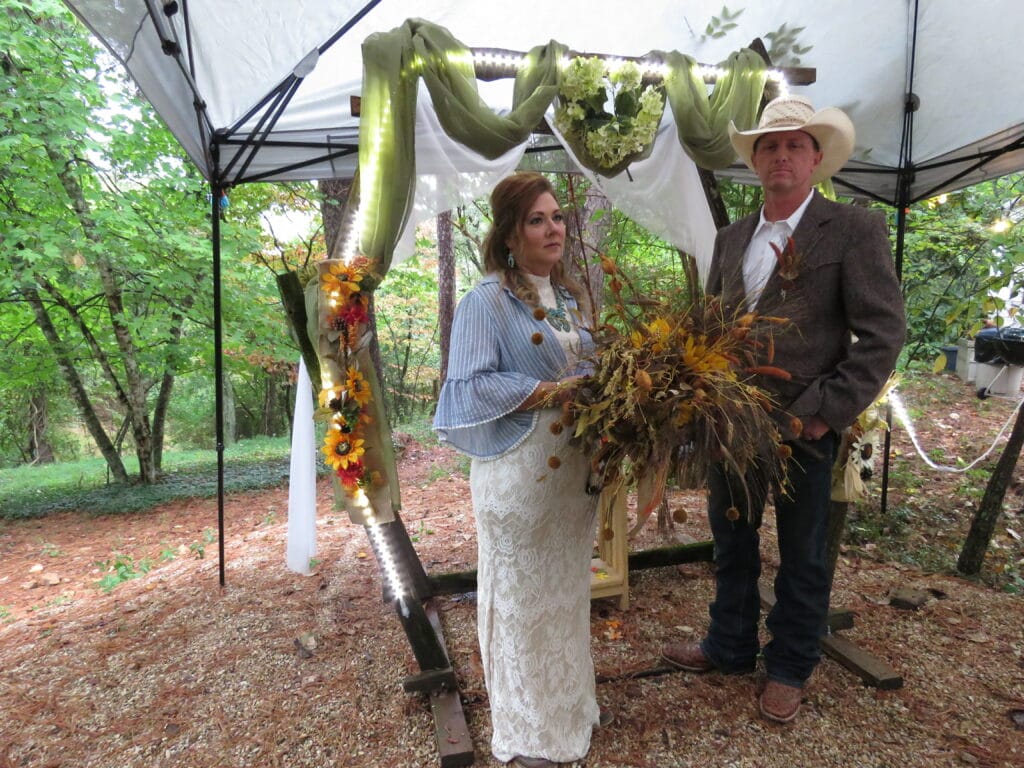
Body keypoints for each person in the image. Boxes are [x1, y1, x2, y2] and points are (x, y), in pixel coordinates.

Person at [661, 95, 906, 723]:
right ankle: (730, 644)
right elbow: (713, 327)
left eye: (795, 144)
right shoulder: (731, 238)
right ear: (755, 159)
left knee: (804, 551)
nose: (781, 155)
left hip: (805, 421)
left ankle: (792, 663)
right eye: (769, 145)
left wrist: (825, 413)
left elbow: (882, 334)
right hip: (730, 425)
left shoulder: (853, 229)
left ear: (817, 158)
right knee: (731, 539)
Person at [433, 172, 608, 767]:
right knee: (521, 599)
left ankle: (566, 707)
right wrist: (553, 391)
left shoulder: (573, 296)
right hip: (519, 472)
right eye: (537, 219)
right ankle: (530, 730)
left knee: (564, 593)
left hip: (570, 476)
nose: (553, 227)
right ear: (510, 233)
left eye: (556, 216)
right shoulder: (485, 301)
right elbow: (468, 388)